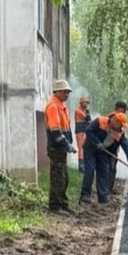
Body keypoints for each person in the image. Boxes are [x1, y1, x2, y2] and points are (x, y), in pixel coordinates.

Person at [80, 112, 128, 205]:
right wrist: (97, 142)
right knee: (90, 171)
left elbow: (125, 145)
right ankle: (85, 195)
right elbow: (88, 131)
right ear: (116, 121)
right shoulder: (100, 121)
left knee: (103, 172)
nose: (121, 127)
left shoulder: (117, 131)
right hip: (90, 149)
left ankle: (102, 196)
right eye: (121, 125)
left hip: (102, 152)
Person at [44, 79, 76, 215]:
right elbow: (55, 131)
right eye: (64, 92)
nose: (66, 94)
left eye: (68, 92)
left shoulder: (62, 106)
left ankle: (63, 203)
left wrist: (68, 143)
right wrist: (67, 144)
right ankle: (55, 206)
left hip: (61, 147)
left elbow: (66, 128)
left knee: (64, 178)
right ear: (56, 92)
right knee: (58, 178)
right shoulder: (53, 106)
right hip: (56, 148)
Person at [107, 101, 128, 190]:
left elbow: (123, 142)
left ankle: (108, 189)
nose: (125, 112)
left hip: (113, 151)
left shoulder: (120, 121)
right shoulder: (111, 119)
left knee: (112, 169)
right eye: (123, 109)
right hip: (105, 151)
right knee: (108, 169)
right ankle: (105, 191)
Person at [74, 95, 91, 172]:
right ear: (81, 103)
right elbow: (86, 118)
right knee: (81, 148)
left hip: (85, 131)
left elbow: (90, 121)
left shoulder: (86, 111)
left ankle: (84, 164)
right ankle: (81, 166)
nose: (86, 104)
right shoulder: (78, 111)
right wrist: (87, 115)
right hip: (80, 131)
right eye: (85, 102)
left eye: (87, 103)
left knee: (85, 148)